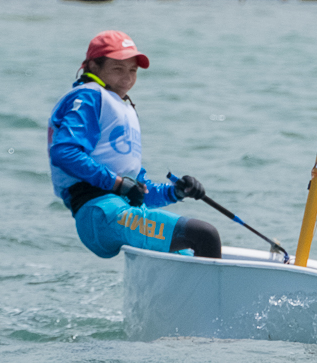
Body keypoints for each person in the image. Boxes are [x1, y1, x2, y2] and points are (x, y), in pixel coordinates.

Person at [47, 30, 222, 259]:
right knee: (204, 235)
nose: (127, 78)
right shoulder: (88, 97)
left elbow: (140, 192)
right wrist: (117, 183)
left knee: (187, 253)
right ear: (93, 66)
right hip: (98, 211)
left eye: (132, 70)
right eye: (118, 69)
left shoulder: (121, 107)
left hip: (118, 209)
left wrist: (175, 192)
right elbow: (64, 152)